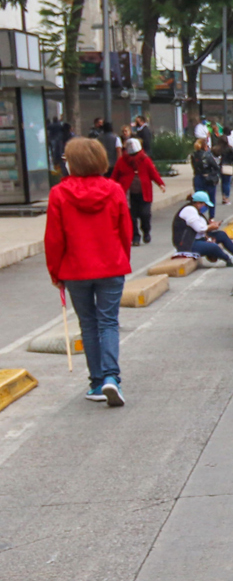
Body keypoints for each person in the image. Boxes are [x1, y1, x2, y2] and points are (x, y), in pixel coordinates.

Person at [44, 138, 132, 407]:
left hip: (75, 268)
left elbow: (54, 239)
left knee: (89, 324)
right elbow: (125, 231)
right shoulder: (114, 190)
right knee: (108, 322)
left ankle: (95, 382)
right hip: (111, 265)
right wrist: (121, 260)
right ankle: (111, 377)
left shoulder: (59, 194)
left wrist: (55, 271)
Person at [109, 136, 167, 246]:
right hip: (128, 194)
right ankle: (135, 236)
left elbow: (153, 172)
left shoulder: (145, 160)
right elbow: (115, 175)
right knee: (131, 217)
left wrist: (160, 184)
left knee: (145, 214)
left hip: (144, 193)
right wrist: (110, 188)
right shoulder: (122, 161)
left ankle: (146, 231)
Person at [171, 191, 233, 266]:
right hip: (187, 244)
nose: (206, 207)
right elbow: (199, 228)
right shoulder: (189, 210)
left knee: (221, 235)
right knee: (214, 247)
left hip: (197, 239)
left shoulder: (196, 211)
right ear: (199, 203)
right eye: (205, 205)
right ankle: (229, 260)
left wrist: (209, 231)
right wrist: (210, 227)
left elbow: (202, 227)